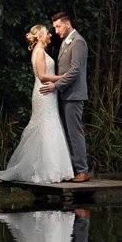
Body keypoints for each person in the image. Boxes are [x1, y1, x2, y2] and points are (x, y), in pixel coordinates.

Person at [0, 25, 75, 184]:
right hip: (44, 92)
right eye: (47, 33)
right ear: (41, 35)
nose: (50, 35)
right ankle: (46, 170)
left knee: (49, 125)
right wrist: (63, 77)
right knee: (46, 125)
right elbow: (42, 76)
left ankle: (52, 168)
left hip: (48, 93)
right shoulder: (40, 51)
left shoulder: (41, 50)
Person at [39, 10, 93, 182]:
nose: (56, 31)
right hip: (64, 94)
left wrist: (56, 85)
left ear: (67, 23)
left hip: (74, 95)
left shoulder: (78, 42)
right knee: (67, 134)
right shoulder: (66, 41)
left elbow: (75, 71)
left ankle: (82, 171)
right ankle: (72, 170)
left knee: (74, 133)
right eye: (54, 28)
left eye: (58, 27)